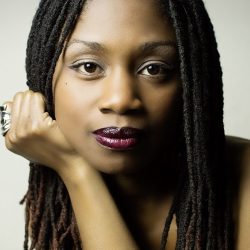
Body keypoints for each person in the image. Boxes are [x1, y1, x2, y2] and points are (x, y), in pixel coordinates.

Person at [1, 0, 249, 249]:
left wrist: (75, 170)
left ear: (191, 79)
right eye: (89, 67)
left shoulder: (243, 178)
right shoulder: (56, 205)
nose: (120, 100)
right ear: (43, 75)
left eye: (153, 69)